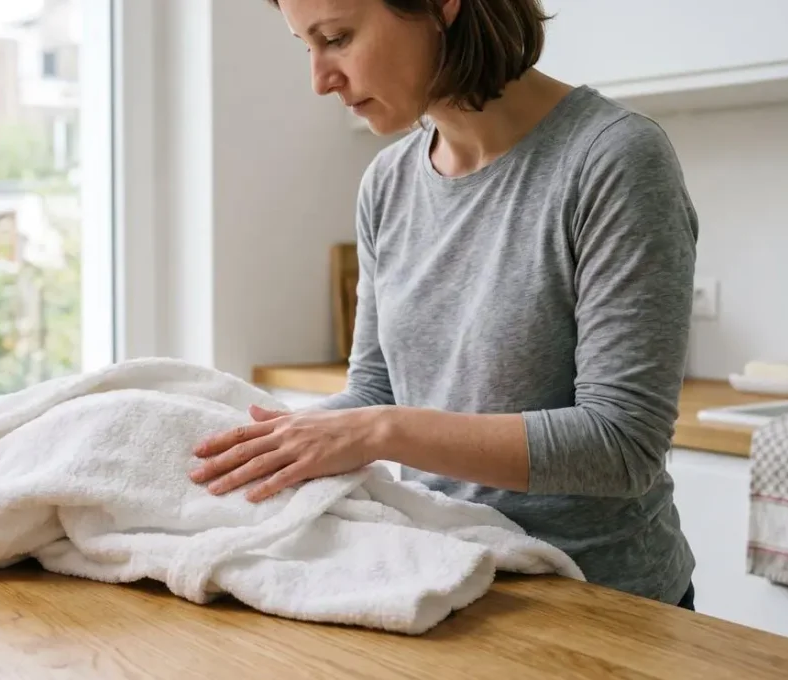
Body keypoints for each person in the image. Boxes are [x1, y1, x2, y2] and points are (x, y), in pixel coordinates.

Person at [188, 0, 699, 610]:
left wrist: (379, 430)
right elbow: (375, 391)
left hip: (604, 606)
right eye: (308, 46)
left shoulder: (611, 159)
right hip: (448, 585)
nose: (321, 79)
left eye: (337, 38)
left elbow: (621, 446)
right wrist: (254, 446)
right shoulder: (388, 182)